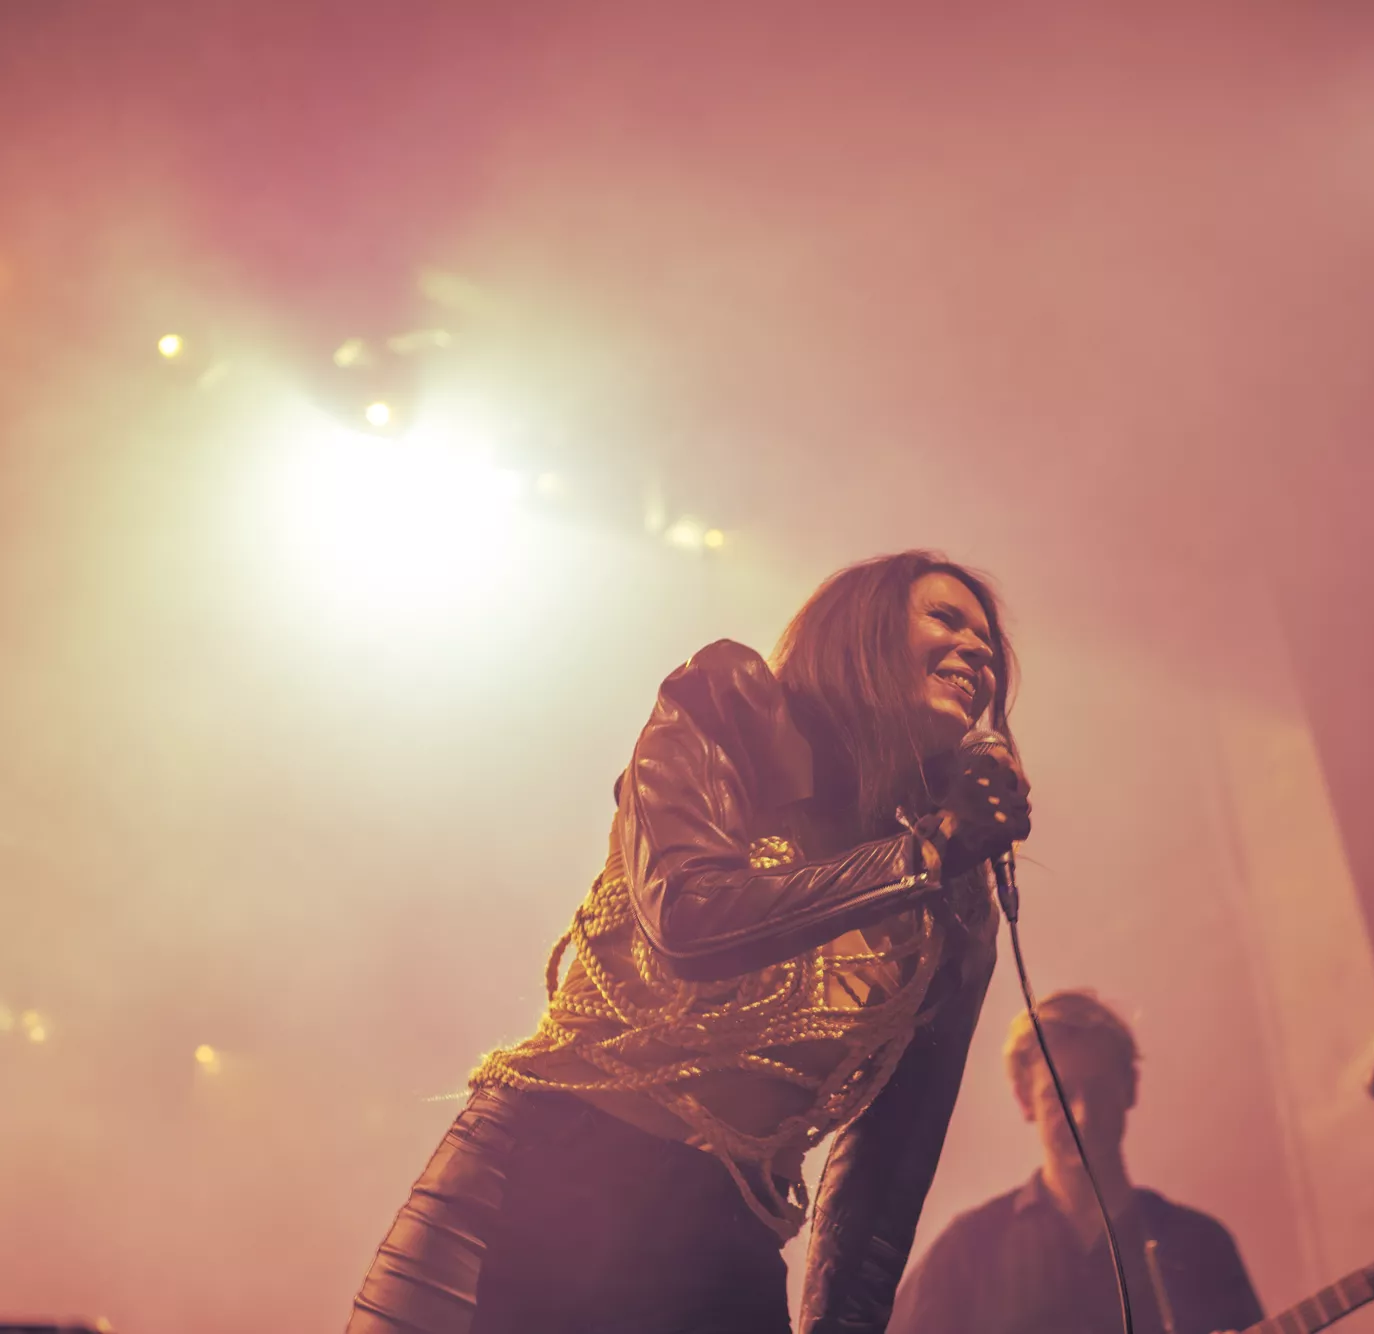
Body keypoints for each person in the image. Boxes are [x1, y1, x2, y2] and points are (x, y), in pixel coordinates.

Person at [347, 551, 1032, 1334]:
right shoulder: (731, 705)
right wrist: (926, 856)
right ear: (862, 631)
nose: (977, 652)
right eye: (946, 619)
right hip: (549, 1168)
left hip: (723, 1229)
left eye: (989, 647)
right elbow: (690, 919)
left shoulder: (952, 902)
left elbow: (889, 1167)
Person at [889, 991, 1263, 1334]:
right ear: (1024, 1100)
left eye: (1098, 1089)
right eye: (1060, 1094)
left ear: (1130, 1086)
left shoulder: (1202, 1245)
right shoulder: (967, 1249)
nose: (1083, 1115)